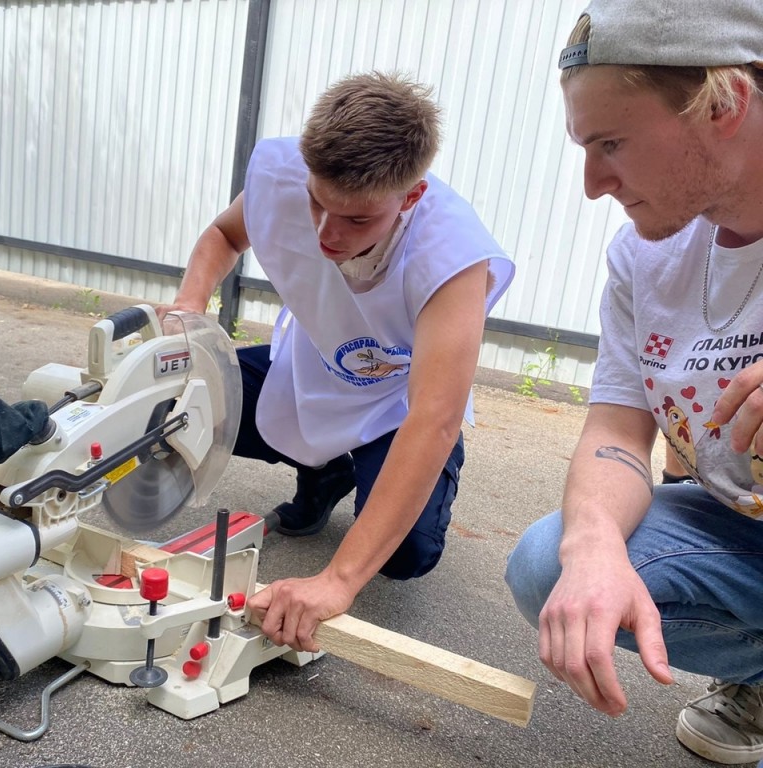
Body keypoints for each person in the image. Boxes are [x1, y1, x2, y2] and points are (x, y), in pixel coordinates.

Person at [159, 72, 514, 653]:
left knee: (404, 555)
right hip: (312, 367)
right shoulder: (281, 174)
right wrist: (189, 308)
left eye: (357, 220)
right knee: (173, 399)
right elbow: (224, 234)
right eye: (317, 204)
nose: (327, 233)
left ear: (411, 198)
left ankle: (386, 472)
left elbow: (433, 417)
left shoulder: (452, 255)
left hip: (396, 404)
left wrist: (337, 581)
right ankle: (326, 471)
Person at [503, 1, 763, 765]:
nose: (592, 185)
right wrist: (593, 547)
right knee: (552, 562)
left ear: (724, 103)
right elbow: (616, 431)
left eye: (611, 143)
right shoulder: (645, 258)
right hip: (747, 528)